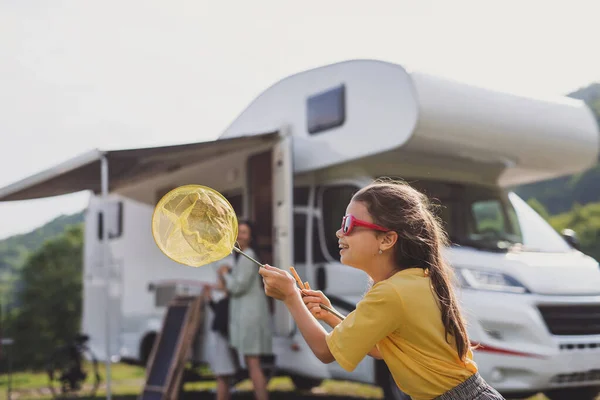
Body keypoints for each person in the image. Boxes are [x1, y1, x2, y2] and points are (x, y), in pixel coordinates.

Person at [258, 179, 506, 400]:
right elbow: (382, 349)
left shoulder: (391, 293)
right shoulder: (414, 280)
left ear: (387, 239)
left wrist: (291, 297)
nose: (339, 232)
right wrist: (330, 314)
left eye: (349, 224)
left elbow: (325, 350)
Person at [217, 220, 272, 400]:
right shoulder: (242, 256)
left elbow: (237, 287)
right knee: (251, 363)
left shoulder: (248, 255)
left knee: (253, 363)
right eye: (238, 232)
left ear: (251, 236)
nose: (240, 236)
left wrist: (224, 273)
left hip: (250, 318)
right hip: (248, 316)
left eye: (245, 232)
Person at [202, 262, 238, 400]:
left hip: (223, 341)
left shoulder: (228, 301)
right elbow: (217, 311)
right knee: (224, 376)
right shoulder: (226, 301)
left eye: (219, 280)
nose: (216, 283)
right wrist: (209, 297)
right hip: (223, 341)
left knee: (222, 376)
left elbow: (221, 318)